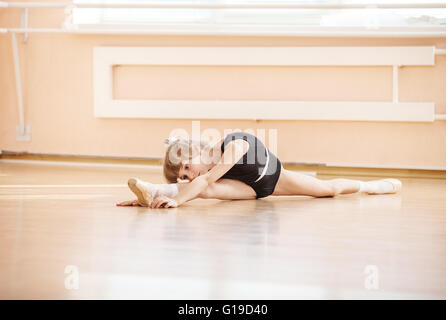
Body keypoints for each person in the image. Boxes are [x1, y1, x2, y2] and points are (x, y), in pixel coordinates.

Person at [116, 131, 402, 209]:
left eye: (187, 168)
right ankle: (155, 191)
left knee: (329, 191)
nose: (188, 177)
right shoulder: (202, 179)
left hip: (275, 179)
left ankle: (370, 186)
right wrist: (154, 197)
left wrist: (179, 197)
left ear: (195, 152)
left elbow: (204, 181)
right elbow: (203, 186)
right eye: (183, 178)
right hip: (249, 189)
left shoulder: (233, 143)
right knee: (208, 189)